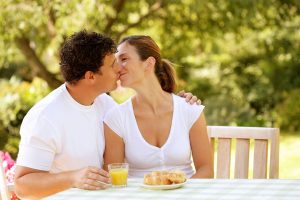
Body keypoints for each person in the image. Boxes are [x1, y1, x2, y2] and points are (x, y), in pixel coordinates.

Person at [14, 31, 200, 199]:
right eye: (112, 64)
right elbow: (22, 186)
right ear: (90, 77)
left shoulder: (105, 104)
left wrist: (180, 102)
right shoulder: (45, 117)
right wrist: (73, 177)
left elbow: (141, 115)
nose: (119, 68)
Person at [103, 36, 214, 178]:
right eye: (116, 62)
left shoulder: (189, 110)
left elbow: (206, 170)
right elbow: (113, 176)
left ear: (149, 63)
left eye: (124, 59)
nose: (118, 67)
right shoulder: (116, 118)